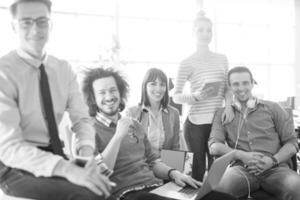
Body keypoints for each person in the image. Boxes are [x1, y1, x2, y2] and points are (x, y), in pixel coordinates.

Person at [0, 0, 114, 199]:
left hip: (55, 154)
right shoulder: (4, 72)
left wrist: (86, 154)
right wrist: (68, 170)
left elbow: (82, 120)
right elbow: (9, 147)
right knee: (87, 195)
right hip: (13, 164)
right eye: (26, 22)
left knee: (104, 188)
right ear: (13, 26)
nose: (35, 29)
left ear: (50, 25)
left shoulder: (63, 69)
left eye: (42, 21)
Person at [81, 67, 237, 200]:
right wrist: (118, 135)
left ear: (120, 93)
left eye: (113, 90)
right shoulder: (87, 130)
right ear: (93, 98)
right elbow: (96, 173)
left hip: (155, 186)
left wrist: (174, 174)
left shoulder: (135, 124)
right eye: (102, 93)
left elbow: (152, 161)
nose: (109, 97)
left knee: (222, 198)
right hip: (127, 193)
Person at [209, 66, 300, 200]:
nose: (241, 88)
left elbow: (292, 143)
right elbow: (213, 146)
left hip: (276, 168)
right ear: (230, 86)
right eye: (236, 84)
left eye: (245, 83)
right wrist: (240, 155)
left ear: (252, 83)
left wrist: (272, 161)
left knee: (296, 186)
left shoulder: (273, 108)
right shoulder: (222, 114)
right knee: (218, 189)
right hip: (241, 169)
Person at [173, 11, 233, 181]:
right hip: (195, 124)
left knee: (218, 171)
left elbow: (227, 88)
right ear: (193, 33)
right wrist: (196, 96)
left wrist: (228, 106)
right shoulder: (186, 62)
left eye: (209, 30)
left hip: (218, 122)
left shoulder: (222, 58)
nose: (205, 34)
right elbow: (176, 96)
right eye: (200, 30)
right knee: (197, 171)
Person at [126, 68, 180, 153]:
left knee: (190, 164)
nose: (158, 89)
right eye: (153, 84)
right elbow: (130, 148)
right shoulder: (132, 113)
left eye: (162, 85)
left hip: (167, 162)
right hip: (142, 163)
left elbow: (176, 147)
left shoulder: (174, 113)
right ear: (145, 87)